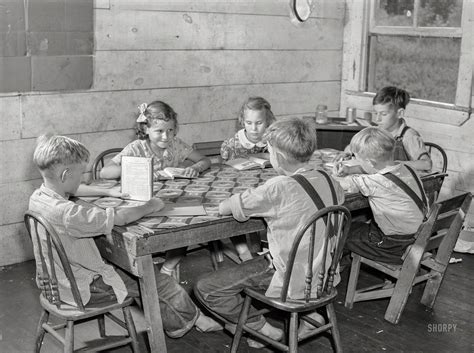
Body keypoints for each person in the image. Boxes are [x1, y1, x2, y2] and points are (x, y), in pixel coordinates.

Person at [29, 134, 222, 338]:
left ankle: (175, 323)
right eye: (79, 173)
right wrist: (150, 205)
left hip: (56, 283)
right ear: (66, 174)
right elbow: (120, 218)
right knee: (153, 278)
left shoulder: (39, 197)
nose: (81, 178)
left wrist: (110, 193)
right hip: (84, 288)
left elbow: (76, 191)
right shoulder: (69, 214)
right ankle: (195, 319)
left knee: (132, 268)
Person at [195, 117, 345, 348]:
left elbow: (226, 207)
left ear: (278, 156)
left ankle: (262, 328)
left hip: (289, 276)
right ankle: (310, 313)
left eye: (270, 151)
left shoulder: (278, 188)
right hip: (324, 271)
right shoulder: (330, 179)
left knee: (206, 288)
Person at [100, 100, 211, 278]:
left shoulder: (176, 145)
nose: (166, 137)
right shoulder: (136, 148)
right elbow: (105, 172)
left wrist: (195, 168)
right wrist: (139, 170)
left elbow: (205, 160)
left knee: (185, 226)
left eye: (170, 130)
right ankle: (142, 270)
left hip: (169, 200)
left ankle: (167, 269)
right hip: (141, 204)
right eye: (159, 131)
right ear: (146, 130)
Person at [334, 127, 429, 264]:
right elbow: (376, 169)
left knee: (340, 232)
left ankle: (333, 274)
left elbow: (342, 185)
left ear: (370, 163)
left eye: (357, 159)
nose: (355, 161)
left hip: (394, 246)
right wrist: (350, 169)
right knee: (359, 226)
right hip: (419, 239)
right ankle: (345, 264)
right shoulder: (408, 169)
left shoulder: (374, 182)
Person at [220, 97, 277, 261]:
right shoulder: (232, 145)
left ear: (267, 121)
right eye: (249, 123)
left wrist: (265, 152)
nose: (253, 128)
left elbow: (280, 157)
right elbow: (226, 173)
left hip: (264, 190)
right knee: (234, 211)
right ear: (242, 122)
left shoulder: (271, 139)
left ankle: (269, 248)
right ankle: (243, 250)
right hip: (238, 191)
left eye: (259, 123)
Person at [336, 86, 432, 173]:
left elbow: (426, 164)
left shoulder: (409, 136)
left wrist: (395, 164)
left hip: (405, 185)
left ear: (400, 113)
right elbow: (353, 147)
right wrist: (347, 152)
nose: (378, 119)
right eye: (376, 113)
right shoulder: (378, 132)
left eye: (383, 114)